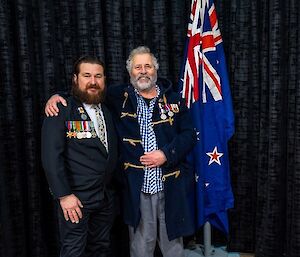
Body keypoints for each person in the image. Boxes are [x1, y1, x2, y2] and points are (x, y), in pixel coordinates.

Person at [45, 46, 196, 257]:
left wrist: (166, 153)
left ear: (155, 70)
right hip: (137, 186)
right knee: (141, 246)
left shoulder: (174, 99)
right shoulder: (117, 96)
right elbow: (87, 91)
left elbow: (189, 134)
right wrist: (56, 96)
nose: (143, 71)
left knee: (174, 247)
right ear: (130, 72)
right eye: (137, 67)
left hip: (170, 184)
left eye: (148, 66)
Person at [41, 56, 118, 257]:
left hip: (104, 197)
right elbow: (51, 157)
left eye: (98, 76)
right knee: (73, 251)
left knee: (101, 248)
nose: (93, 81)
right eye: (87, 75)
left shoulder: (108, 110)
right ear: (76, 78)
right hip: (76, 199)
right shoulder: (62, 108)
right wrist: (64, 196)